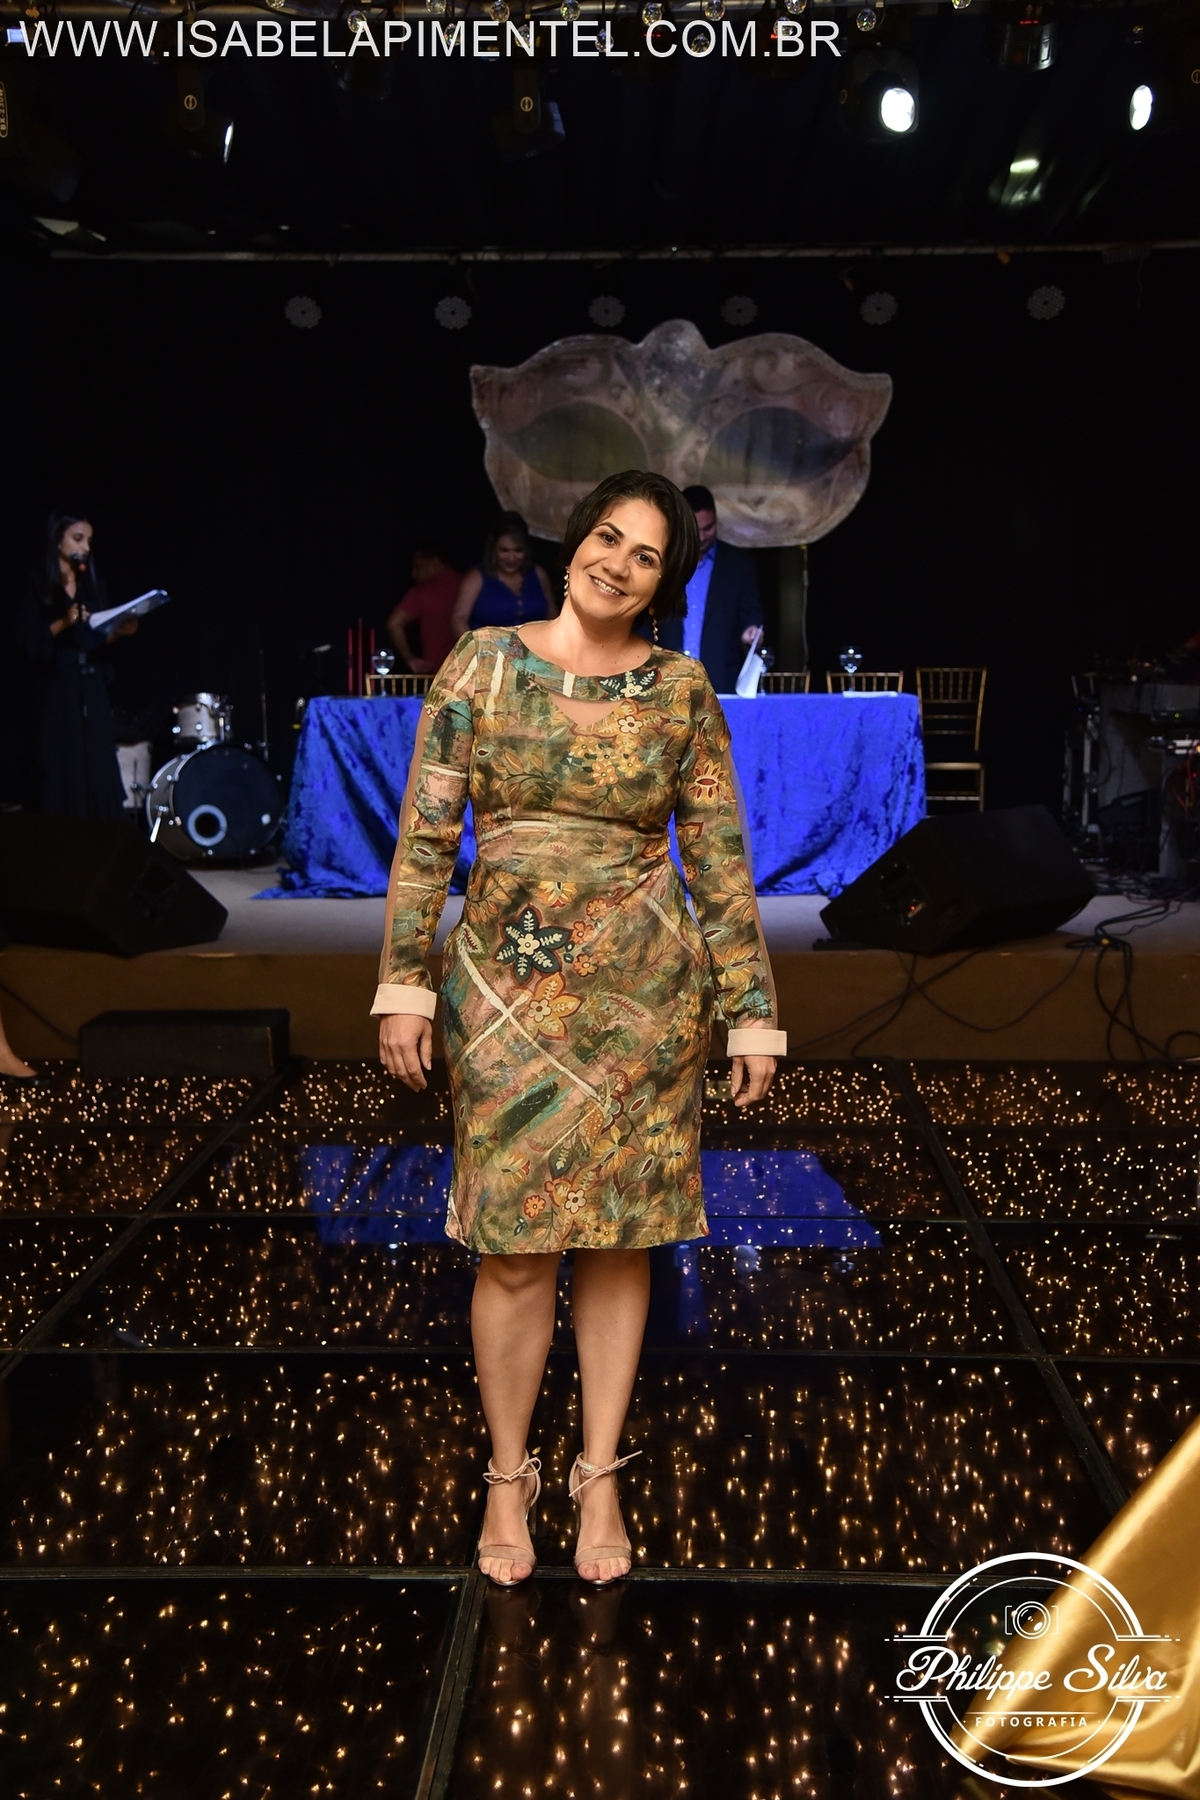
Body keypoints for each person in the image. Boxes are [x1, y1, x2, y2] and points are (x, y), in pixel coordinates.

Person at [375, 469, 785, 1590]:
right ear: (574, 544)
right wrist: (404, 984)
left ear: (664, 583)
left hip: (644, 1000)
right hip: (505, 999)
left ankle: (598, 1471)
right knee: (514, 1252)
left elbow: (721, 861)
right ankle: (509, 1476)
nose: (619, 563)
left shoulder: (682, 689)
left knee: (618, 1240)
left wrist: (752, 1011)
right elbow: (425, 838)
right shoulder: (480, 663)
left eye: (647, 555)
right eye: (609, 537)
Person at [14, 512, 137, 817]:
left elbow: (94, 640)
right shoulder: (38, 585)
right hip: (58, 687)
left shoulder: (93, 587)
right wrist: (63, 622)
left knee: (96, 761)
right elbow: (28, 643)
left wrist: (118, 631)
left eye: (89, 541)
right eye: (78, 539)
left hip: (90, 684)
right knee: (61, 764)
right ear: (58, 541)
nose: (85, 547)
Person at [645, 484, 764, 694]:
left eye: (707, 528)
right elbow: (642, 620)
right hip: (665, 684)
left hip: (720, 685)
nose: (701, 537)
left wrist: (751, 631)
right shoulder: (660, 561)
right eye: (695, 529)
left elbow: (750, 613)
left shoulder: (739, 566)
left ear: (716, 521)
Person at [449, 512, 554, 639]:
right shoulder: (476, 577)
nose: (511, 558)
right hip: (489, 649)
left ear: (526, 550)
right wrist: (476, 646)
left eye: (518, 550)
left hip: (535, 648)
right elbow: (459, 618)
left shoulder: (539, 574)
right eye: (504, 550)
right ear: (494, 549)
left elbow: (553, 619)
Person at [387, 547, 461, 674]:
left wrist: (410, 660)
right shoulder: (471, 585)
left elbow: (393, 624)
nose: (414, 574)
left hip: (438, 675)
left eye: (418, 567)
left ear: (434, 562)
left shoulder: (423, 592)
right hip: (475, 674)